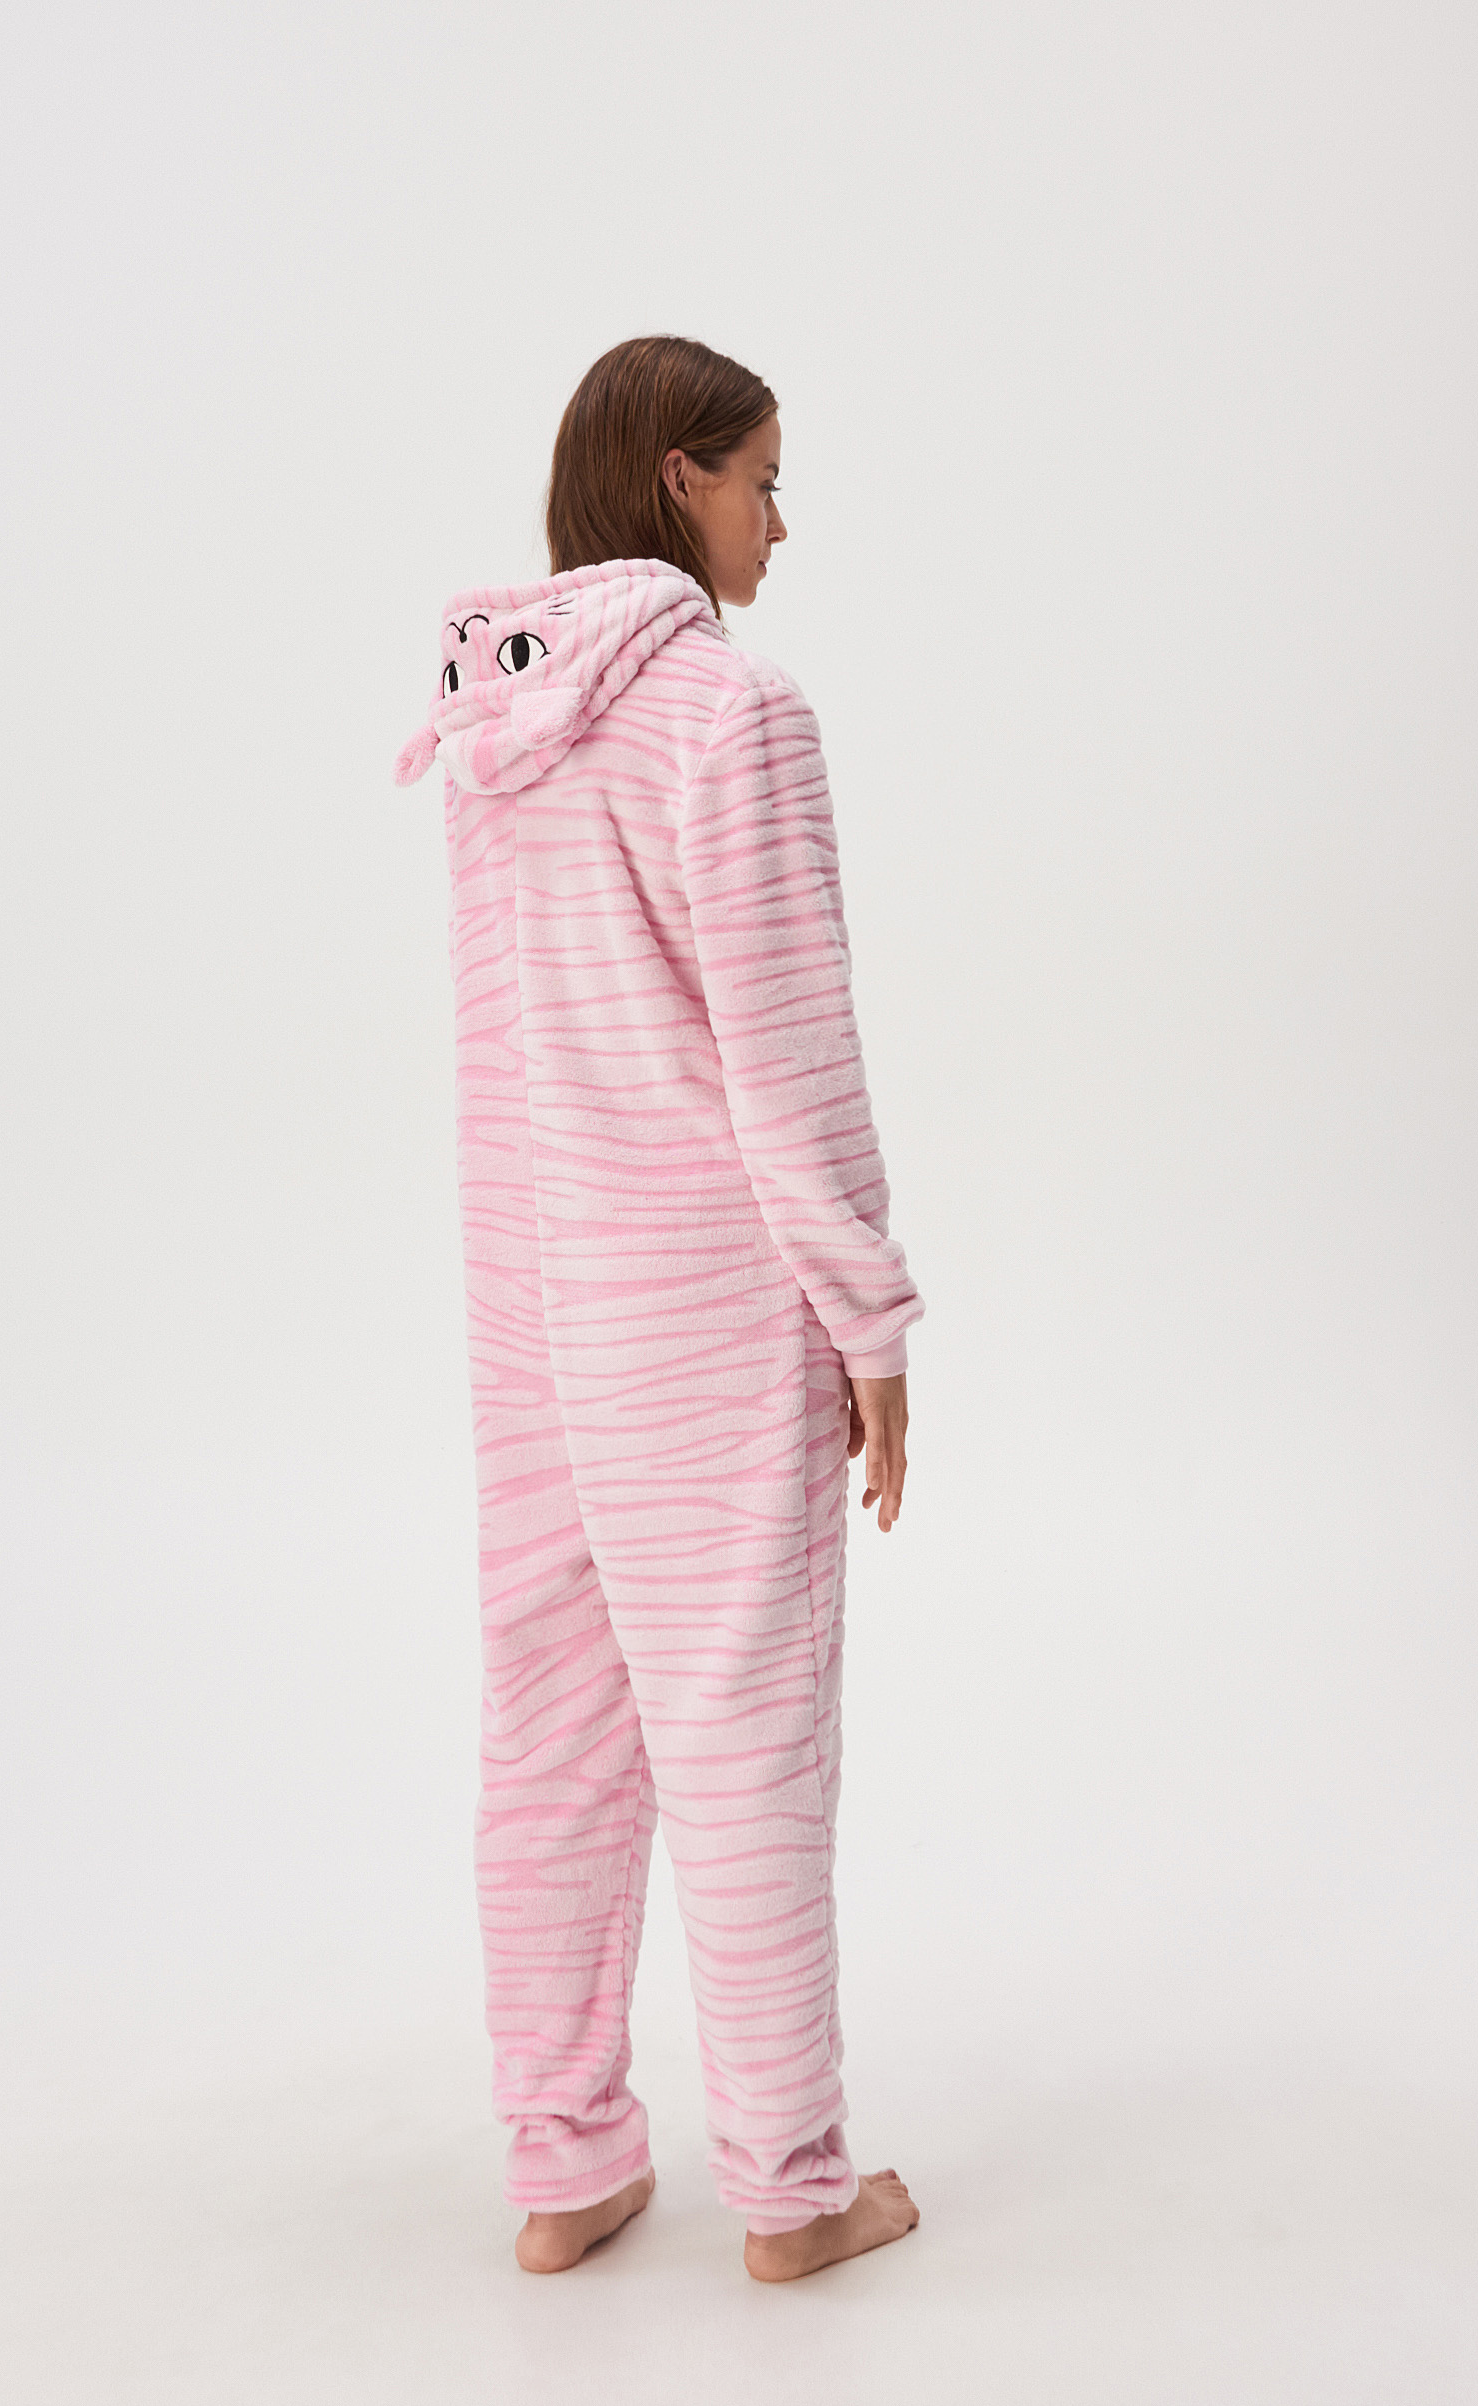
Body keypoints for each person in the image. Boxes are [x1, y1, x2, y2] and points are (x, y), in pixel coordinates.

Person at [394, 336, 922, 2284]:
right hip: (700, 1294)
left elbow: (509, 1043)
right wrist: (869, 1319)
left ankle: (564, 2166)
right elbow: (788, 1056)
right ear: (679, 479)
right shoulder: (729, 711)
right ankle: (790, 2188)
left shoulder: (497, 723)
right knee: (741, 1725)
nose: (781, 522)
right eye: (764, 479)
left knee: (551, 1729)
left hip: (530, 1296)